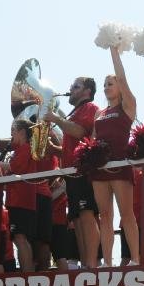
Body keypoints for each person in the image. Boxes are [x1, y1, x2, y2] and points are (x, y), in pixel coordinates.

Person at [91, 45, 139, 266]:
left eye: (110, 84)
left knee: (126, 215)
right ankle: (108, 262)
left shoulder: (127, 106)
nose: (106, 87)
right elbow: (92, 140)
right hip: (100, 170)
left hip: (120, 165)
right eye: (104, 85)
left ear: (120, 86)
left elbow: (123, 76)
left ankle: (136, 259)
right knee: (105, 216)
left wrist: (113, 51)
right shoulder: (99, 113)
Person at [48, 77, 100, 268]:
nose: (71, 89)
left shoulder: (90, 107)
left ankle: (91, 264)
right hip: (71, 172)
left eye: (76, 87)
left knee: (86, 216)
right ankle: (86, 263)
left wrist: (55, 119)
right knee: (77, 219)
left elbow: (80, 132)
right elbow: (70, 146)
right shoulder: (75, 111)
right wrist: (54, 149)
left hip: (82, 171)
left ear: (87, 91)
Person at [5, 121, 38, 271]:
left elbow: (17, 168)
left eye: (13, 130)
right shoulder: (21, 149)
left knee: (20, 237)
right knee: (20, 238)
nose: (11, 134)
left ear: (23, 132)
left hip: (20, 199)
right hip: (18, 198)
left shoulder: (25, 148)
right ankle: (27, 272)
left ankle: (27, 273)